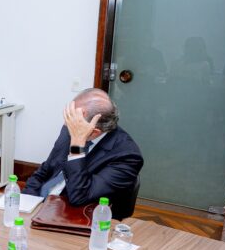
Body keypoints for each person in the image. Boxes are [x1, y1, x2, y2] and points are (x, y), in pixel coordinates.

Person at [22, 88, 143, 220]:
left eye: (73, 119)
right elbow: (44, 170)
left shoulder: (127, 156)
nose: (67, 123)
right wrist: (27, 201)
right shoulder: (71, 127)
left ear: (94, 132)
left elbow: (79, 197)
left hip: (73, 216)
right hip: (38, 206)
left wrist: (77, 146)